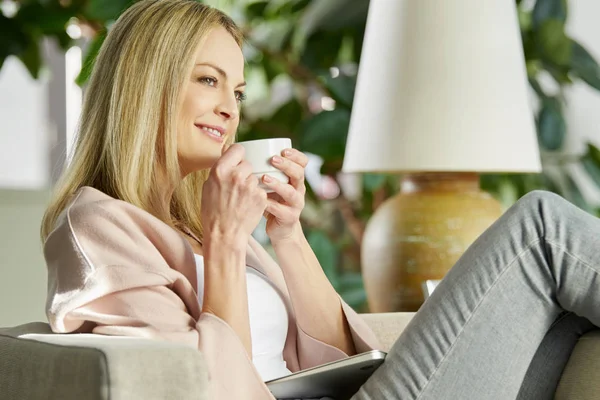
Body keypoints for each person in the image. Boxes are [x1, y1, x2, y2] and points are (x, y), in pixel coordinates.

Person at [41, 1, 599, 399]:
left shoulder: (198, 221)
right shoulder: (97, 226)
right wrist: (228, 241)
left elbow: (339, 361)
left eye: (235, 91)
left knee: (562, 320)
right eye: (208, 81)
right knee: (541, 230)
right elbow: (204, 387)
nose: (231, 109)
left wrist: (287, 237)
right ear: (148, 85)